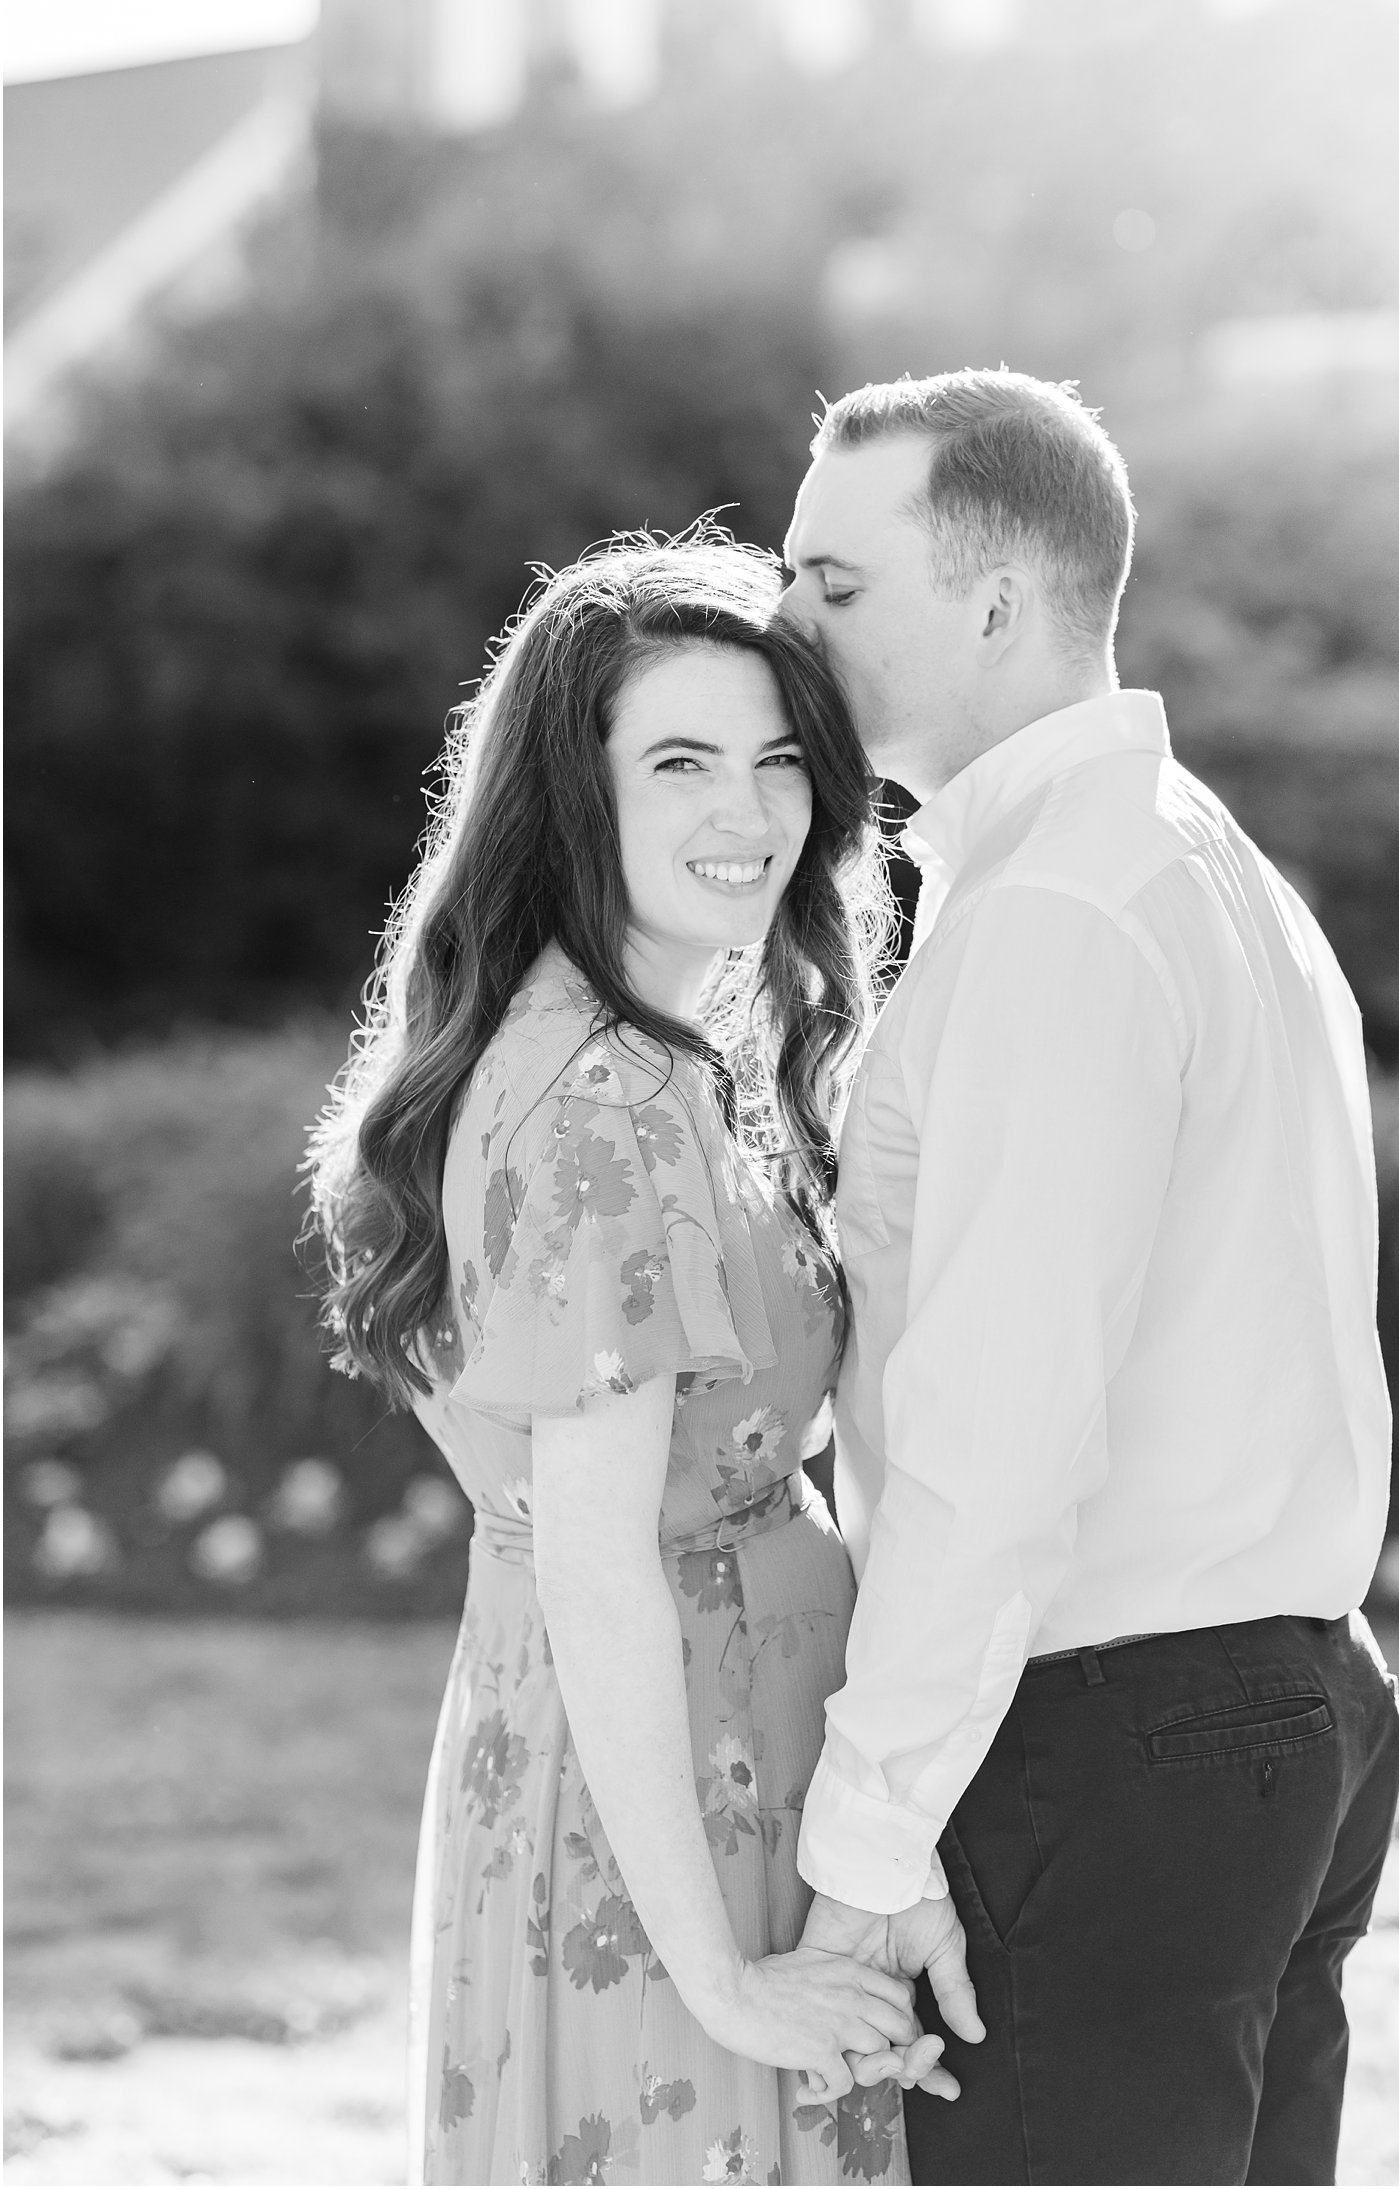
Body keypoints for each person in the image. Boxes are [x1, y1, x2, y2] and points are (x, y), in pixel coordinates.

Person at [777, 370, 1399, 2187]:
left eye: (834, 578)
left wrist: (869, 1848)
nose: (787, 617)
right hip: (1294, 1710)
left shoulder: (1059, 913)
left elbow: (1003, 1427)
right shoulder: (1203, 869)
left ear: (989, 602)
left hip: (1117, 1736)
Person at [307, 534, 962, 2188]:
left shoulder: (662, 1052)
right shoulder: (608, 1102)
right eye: (679, 762)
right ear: (572, 793)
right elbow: (599, 1560)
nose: (746, 814)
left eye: (779, 760)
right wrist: (728, 1982)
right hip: (676, 1796)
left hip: (678, 1753)